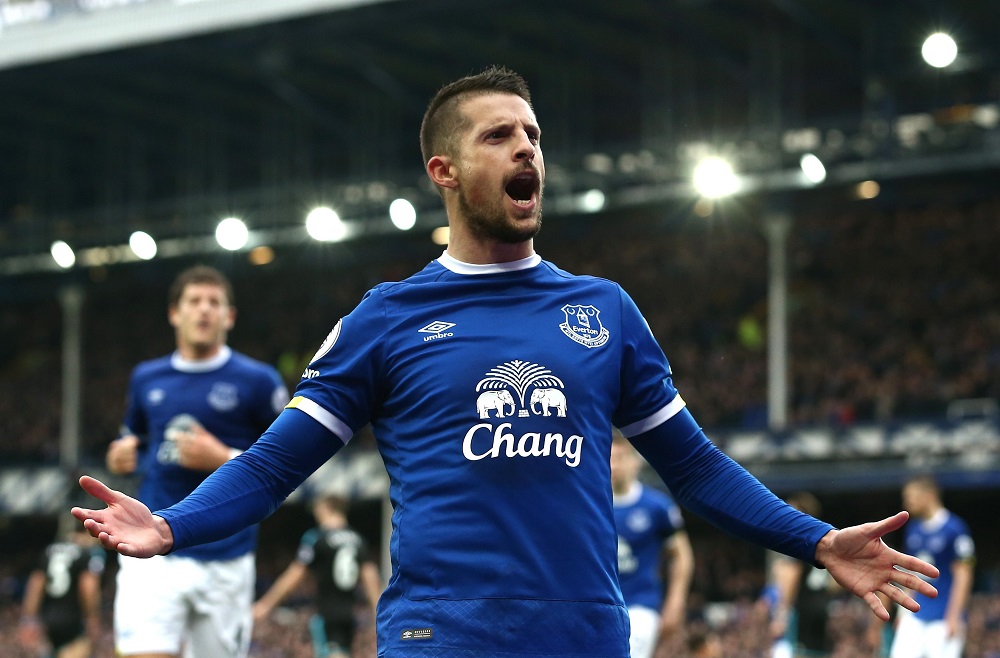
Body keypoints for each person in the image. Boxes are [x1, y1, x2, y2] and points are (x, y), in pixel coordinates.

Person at [72, 65, 939, 658]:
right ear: (444, 170)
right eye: (498, 136)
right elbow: (272, 467)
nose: (527, 149)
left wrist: (815, 539)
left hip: (585, 634)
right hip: (440, 635)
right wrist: (173, 526)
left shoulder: (604, 311)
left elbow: (697, 470)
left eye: (532, 134)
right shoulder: (386, 318)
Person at [103, 264, 289, 658]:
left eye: (214, 302)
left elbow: (289, 463)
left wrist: (224, 458)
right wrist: (123, 454)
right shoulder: (146, 378)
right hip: (152, 544)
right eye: (194, 301)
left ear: (229, 316)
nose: (204, 309)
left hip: (226, 554)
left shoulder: (259, 381)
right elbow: (134, 437)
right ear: (174, 313)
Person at [253, 494, 382, 658]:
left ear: (325, 508)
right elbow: (371, 578)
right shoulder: (358, 539)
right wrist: (378, 613)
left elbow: (294, 574)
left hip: (327, 612)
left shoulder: (316, 537)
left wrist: (266, 604)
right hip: (349, 614)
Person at [610, 429, 694, 658]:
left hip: (641, 606)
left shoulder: (657, 507)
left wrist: (676, 600)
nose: (614, 465)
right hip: (602, 604)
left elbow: (681, 554)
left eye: (620, 458)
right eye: (609, 458)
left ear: (635, 462)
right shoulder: (592, 505)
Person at [884, 475, 975, 658]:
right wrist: (903, 612)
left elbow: (964, 575)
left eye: (911, 497)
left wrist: (954, 616)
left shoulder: (955, 529)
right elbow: (911, 574)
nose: (906, 503)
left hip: (943, 618)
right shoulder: (913, 529)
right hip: (916, 615)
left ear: (929, 495)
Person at [765, 492, 839, 658]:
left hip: (802, 610)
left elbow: (792, 574)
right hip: (822, 608)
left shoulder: (795, 539)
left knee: (800, 653)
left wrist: (781, 614)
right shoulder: (821, 540)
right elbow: (833, 584)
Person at [18, 519, 106, 658]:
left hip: (48, 618)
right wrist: (92, 616)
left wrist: (28, 618)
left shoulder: (50, 550)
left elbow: (35, 586)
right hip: (74, 618)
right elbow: (88, 587)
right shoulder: (88, 553)